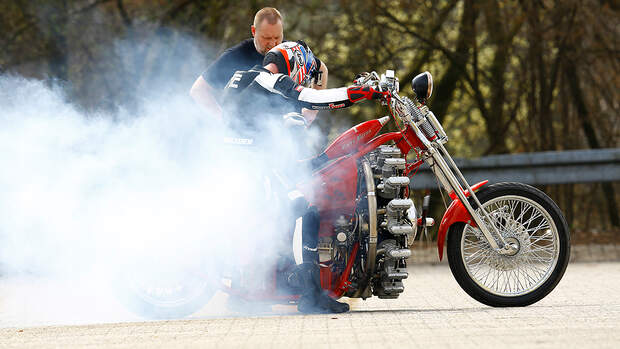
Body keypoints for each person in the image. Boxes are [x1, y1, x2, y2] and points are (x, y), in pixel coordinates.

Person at [220, 41, 388, 313]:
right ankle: (310, 295)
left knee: (295, 200)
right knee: (302, 210)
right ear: (296, 62)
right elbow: (314, 98)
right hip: (248, 165)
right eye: (305, 72)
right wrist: (362, 91)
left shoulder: (250, 78)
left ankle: (262, 287)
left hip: (244, 160)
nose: (305, 79)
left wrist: (285, 124)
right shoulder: (267, 78)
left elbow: (252, 117)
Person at [190, 7, 329, 123]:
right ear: (254, 31)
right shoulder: (237, 55)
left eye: (277, 37)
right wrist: (222, 120)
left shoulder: (292, 52)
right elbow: (199, 90)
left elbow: (320, 69)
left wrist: (312, 111)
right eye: (267, 38)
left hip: (288, 134)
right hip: (248, 136)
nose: (273, 44)